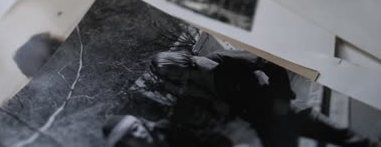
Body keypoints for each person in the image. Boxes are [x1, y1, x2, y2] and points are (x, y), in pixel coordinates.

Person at [150, 50, 378, 147]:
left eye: (169, 69)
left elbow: (266, 62)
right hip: (264, 127)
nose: (171, 75)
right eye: (166, 75)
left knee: (349, 140)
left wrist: (282, 96)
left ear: (176, 60)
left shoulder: (215, 59)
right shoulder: (193, 90)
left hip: (287, 111)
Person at [103, 115, 169, 147]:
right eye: (128, 137)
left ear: (142, 124)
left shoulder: (172, 130)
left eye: (135, 128)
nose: (137, 135)